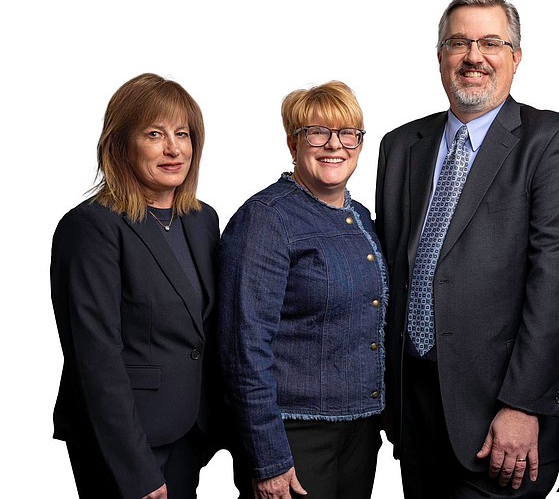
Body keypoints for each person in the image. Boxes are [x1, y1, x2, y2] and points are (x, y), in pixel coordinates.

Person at [375, 0, 559, 498]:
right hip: (416, 414)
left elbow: (558, 287)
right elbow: (394, 271)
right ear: (439, 56)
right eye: (459, 42)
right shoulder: (399, 147)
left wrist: (525, 405)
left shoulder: (553, 142)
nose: (474, 56)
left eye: (491, 42)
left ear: (515, 57)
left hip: (501, 420)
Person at [50, 73, 221, 499]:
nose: (173, 148)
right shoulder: (91, 227)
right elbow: (95, 358)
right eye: (154, 134)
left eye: (183, 134)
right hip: (124, 443)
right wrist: (135, 472)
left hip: (188, 431)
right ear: (121, 145)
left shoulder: (202, 220)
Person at [218, 80, 387, 499]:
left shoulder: (361, 217)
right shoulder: (265, 219)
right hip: (293, 435)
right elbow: (243, 348)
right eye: (318, 132)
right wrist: (269, 458)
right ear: (294, 144)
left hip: (359, 431)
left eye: (348, 133)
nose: (335, 145)